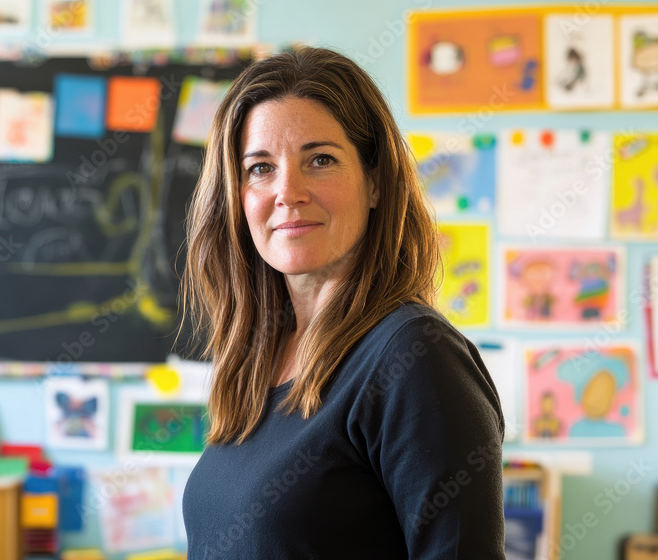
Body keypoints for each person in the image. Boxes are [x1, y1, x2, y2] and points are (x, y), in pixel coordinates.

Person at [180, 46, 506, 559]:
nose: (288, 190)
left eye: (321, 160)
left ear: (375, 182)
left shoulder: (415, 356)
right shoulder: (255, 359)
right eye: (260, 168)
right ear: (236, 194)